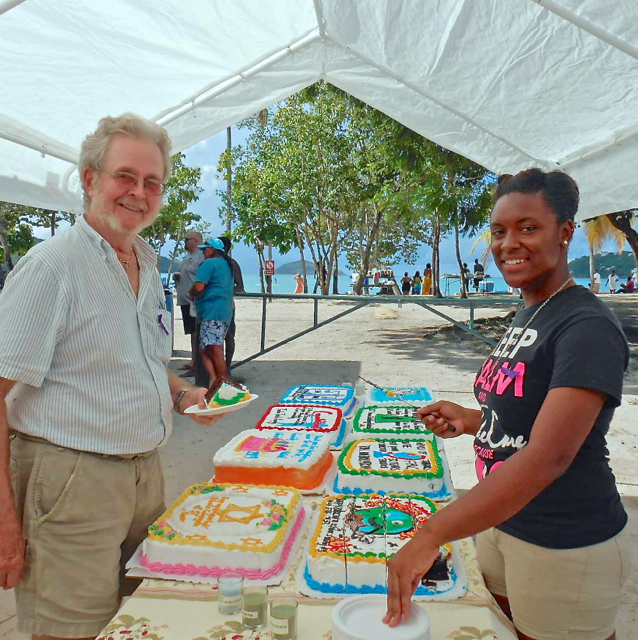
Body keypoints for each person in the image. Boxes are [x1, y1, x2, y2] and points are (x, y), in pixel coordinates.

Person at [0, 113, 222, 639]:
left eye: (152, 182)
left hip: (145, 474)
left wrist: (183, 393)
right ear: (90, 179)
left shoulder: (144, 260)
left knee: (143, 618)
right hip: (72, 480)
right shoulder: (53, 266)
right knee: (73, 631)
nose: (138, 192)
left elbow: (139, 358)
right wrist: (6, 521)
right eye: (125, 175)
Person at [385, 168, 630, 640]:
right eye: (499, 231)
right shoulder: (533, 307)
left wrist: (431, 534)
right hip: (500, 518)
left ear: (565, 233)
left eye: (528, 228)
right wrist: (477, 420)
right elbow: (528, 418)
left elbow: (548, 457)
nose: (508, 243)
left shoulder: (586, 325)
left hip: (563, 540)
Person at [190, 238, 234, 382]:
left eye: (205, 249)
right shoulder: (226, 264)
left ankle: (223, 381)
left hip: (212, 312)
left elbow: (199, 287)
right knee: (205, 348)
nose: (203, 252)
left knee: (215, 350)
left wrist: (191, 291)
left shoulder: (209, 263)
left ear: (212, 250)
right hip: (224, 311)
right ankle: (215, 379)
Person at [173, 230, 204, 375]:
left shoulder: (201, 256)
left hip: (194, 301)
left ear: (196, 241)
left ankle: (197, 363)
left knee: (197, 331)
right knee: (192, 331)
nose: (185, 242)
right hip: (185, 300)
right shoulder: (187, 258)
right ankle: (193, 361)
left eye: (187, 239)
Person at [218, 236, 245, 370]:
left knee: (228, 337)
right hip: (209, 307)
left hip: (227, 306)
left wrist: (223, 290)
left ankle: (226, 367)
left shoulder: (231, 264)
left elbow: (240, 287)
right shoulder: (208, 263)